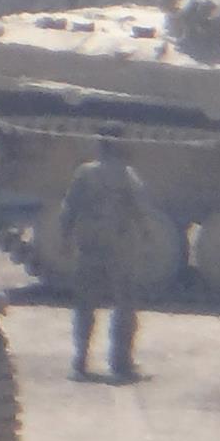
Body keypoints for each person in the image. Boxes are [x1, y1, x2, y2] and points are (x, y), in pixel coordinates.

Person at [56, 124, 150, 382]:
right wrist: (146, 239)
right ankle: (121, 362)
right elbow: (141, 211)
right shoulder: (127, 175)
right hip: (119, 248)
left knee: (85, 305)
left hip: (90, 246)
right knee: (125, 305)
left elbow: (69, 208)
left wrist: (64, 239)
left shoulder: (85, 173)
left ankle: (81, 359)